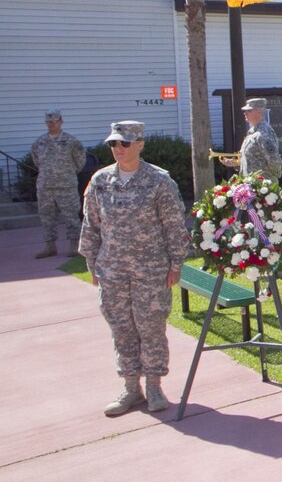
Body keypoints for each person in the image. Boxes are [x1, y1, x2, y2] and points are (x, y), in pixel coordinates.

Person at [79, 121, 188, 416]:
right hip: (112, 271)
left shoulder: (159, 181)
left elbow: (175, 226)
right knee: (121, 329)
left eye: (124, 143)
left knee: (151, 328)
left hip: (150, 271)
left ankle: (154, 386)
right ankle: (131, 388)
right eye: (114, 144)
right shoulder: (100, 181)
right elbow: (91, 224)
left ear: (140, 144)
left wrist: (176, 263)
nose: (118, 149)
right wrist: (91, 261)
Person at [30, 109, 86, 258]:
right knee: (46, 216)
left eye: (54, 121)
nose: (51, 124)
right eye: (49, 121)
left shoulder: (71, 141)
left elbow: (80, 161)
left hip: (66, 185)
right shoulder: (39, 142)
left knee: (71, 216)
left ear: (61, 121)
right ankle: (50, 246)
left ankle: (75, 246)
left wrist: (66, 173)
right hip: (45, 186)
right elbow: (37, 162)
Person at [219, 97, 282, 183]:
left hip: (263, 187)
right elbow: (253, 159)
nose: (245, 113)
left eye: (249, 111)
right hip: (251, 186)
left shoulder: (263, 134)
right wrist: (236, 163)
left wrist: (270, 179)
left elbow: (274, 160)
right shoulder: (252, 133)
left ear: (259, 112)